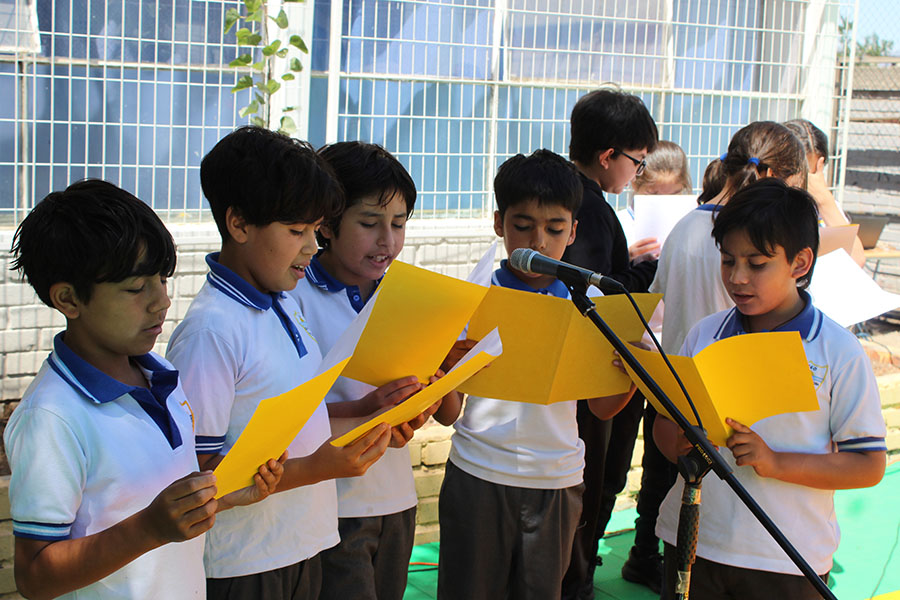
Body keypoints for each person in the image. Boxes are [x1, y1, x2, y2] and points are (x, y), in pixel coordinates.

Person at [5, 180, 283, 599]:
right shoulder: (50, 417)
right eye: (136, 288)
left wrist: (225, 492)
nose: (161, 301)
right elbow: (33, 576)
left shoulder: (163, 375)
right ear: (68, 299)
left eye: (162, 279)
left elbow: (159, 499)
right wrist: (147, 529)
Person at [166, 126, 392, 599]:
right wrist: (317, 468)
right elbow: (198, 473)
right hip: (245, 562)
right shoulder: (211, 331)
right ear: (239, 224)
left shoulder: (283, 301)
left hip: (302, 543)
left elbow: (289, 412)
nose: (312, 246)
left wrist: (363, 411)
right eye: (295, 231)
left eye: (314, 230)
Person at [653, 178, 887, 599]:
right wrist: (682, 444)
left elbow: (868, 464)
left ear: (800, 263)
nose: (737, 278)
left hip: (787, 557)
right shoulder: (705, 334)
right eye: (728, 261)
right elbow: (665, 424)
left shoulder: (837, 350)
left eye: (757, 264)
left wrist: (774, 461)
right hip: (694, 541)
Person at [434, 149, 637, 600]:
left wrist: (630, 375)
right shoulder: (472, 297)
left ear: (574, 230)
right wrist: (443, 369)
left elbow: (602, 409)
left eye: (555, 229)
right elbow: (448, 414)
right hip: (479, 472)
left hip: (557, 478)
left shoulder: (589, 307)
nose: (539, 242)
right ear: (498, 223)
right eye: (523, 226)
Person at [288, 141, 448, 600]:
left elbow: (448, 412)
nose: (387, 241)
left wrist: (429, 394)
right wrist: (368, 411)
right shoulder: (294, 298)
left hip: (397, 498)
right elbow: (287, 417)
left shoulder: (404, 295)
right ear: (326, 224)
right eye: (369, 223)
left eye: (398, 224)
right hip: (332, 504)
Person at [562, 88, 659, 600]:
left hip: (574, 376)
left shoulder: (570, 194)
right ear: (607, 155)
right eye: (637, 162)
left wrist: (628, 265)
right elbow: (596, 294)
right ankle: (575, 579)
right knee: (594, 481)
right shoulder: (593, 208)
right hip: (593, 375)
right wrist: (645, 272)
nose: (636, 174)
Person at [597, 139, 692, 594]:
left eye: (673, 196)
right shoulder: (621, 225)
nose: (663, 204)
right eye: (654, 195)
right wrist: (632, 262)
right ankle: (591, 550)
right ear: (637, 188)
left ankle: (645, 551)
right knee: (612, 464)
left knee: (662, 465)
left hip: (666, 355)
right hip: (625, 355)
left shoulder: (693, 228)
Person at [650, 120, 808, 357]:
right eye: (728, 260)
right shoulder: (757, 241)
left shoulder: (682, 227)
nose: (737, 277)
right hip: (734, 369)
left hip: (681, 372)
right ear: (772, 176)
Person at [783, 118, 866, 266]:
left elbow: (857, 260)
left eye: (814, 172)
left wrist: (825, 202)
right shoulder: (768, 205)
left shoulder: (822, 204)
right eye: (800, 172)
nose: (806, 182)